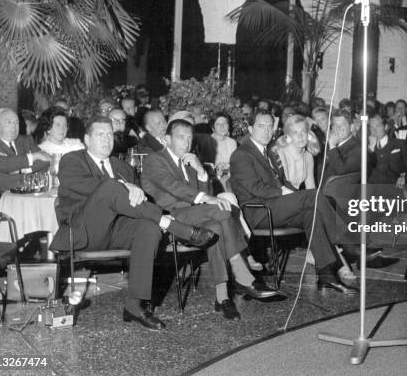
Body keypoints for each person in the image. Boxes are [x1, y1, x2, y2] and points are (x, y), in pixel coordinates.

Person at [49, 116, 217, 331]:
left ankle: (134, 305)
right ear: (86, 139)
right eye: (100, 134)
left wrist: (131, 188)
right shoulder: (72, 160)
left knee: (149, 227)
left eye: (110, 134)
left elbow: (139, 202)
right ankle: (174, 226)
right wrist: (123, 186)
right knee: (110, 188)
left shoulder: (122, 166)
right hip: (84, 233)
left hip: (117, 231)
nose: (107, 139)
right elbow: (89, 187)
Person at [141, 119, 277, 320]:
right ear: (167, 139)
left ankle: (222, 298)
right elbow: (173, 187)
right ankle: (243, 275)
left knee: (215, 229)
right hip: (171, 218)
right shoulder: (155, 160)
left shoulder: (189, 162)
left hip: (198, 218)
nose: (186, 143)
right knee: (223, 210)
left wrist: (202, 172)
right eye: (181, 137)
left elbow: (204, 195)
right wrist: (206, 198)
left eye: (189, 138)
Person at [230, 111, 357, 294]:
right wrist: (284, 192)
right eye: (260, 126)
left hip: (274, 206)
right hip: (258, 212)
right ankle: (349, 242)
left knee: (311, 213)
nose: (266, 131)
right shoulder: (241, 154)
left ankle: (326, 274)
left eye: (269, 127)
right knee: (313, 196)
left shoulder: (267, 152)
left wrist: (292, 193)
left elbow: (281, 182)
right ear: (250, 128)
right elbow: (254, 187)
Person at [0, 108, 50, 192]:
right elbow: (2, 166)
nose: (13, 126)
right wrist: (33, 157)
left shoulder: (26, 140)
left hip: (30, 193)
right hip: (0, 198)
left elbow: (45, 161)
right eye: (8, 122)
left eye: (16, 122)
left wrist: (22, 170)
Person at [271, 115, 315, 191]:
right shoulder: (280, 152)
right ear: (288, 136)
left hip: (295, 197)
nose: (300, 136)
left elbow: (311, 188)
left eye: (303, 131)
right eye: (295, 132)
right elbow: (284, 186)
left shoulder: (308, 156)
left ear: (308, 134)